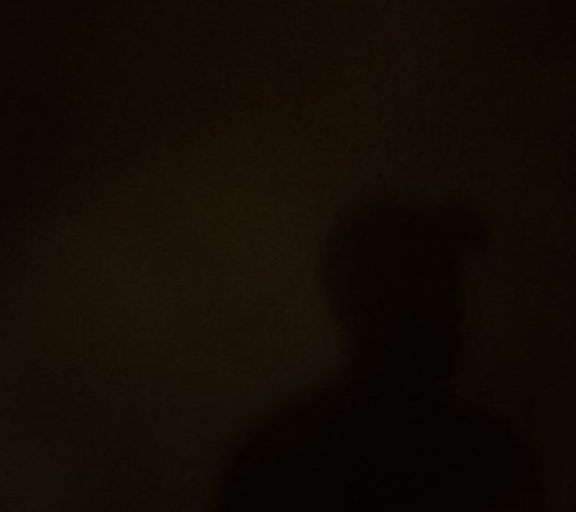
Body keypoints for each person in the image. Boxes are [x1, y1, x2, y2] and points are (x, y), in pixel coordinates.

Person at [212, 202, 545, 512]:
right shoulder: (484, 461)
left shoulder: (272, 458)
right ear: (366, 303)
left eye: (451, 289)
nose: (456, 313)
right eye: (433, 289)